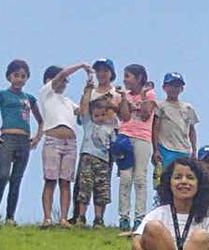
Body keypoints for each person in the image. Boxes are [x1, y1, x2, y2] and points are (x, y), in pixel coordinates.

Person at [0, 60, 42, 225]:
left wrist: (37, 138)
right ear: (9, 76)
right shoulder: (1, 95)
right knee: (3, 175)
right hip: (7, 138)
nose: (19, 79)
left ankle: (10, 217)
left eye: (23, 76)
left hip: (24, 140)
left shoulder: (29, 98)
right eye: (16, 75)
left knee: (17, 179)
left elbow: (41, 121)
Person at [37, 61, 91, 228]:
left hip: (70, 143)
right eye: (61, 80)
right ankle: (47, 217)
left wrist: (87, 89)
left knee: (65, 181)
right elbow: (61, 75)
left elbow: (82, 111)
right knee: (50, 180)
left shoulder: (67, 101)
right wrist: (81, 66)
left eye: (65, 82)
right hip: (53, 140)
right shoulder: (46, 93)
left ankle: (63, 218)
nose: (63, 83)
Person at [116, 64, 156, 230]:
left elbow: (146, 114)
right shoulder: (123, 95)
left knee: (140, 178)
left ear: (139, 77)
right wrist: (124, 99)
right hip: (125, 137)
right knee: (125, 178)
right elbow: (125, 117)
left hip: (143, 138)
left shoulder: (149, 94)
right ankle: (124, 217)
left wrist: (143, 96)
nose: (125, 80)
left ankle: (140, 217)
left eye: (128, 76)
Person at [74, 94, 117, 227]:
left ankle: (99, 218)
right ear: (92, 115)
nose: (99, 118)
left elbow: (115, 146)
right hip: (88, 159)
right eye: (96, 115)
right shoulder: (88, 124)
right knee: (85, 187)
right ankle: (81, 217)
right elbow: (85, 107)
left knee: (102, 190)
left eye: (102, 115)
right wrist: (88, 88)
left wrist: (109, 104)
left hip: (104, 161)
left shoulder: (111, 128)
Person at [152, 72, 198, 168]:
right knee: (163, 178)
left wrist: (194, 150)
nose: (174, 89)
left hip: (184, 149)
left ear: (182, 89)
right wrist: (156, 149)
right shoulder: (161, 106)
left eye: (177, 86)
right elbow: (155, 128)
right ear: (164, 87)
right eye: (171, 86)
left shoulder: (188, 107)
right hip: (165, 148)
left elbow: (192, 130)